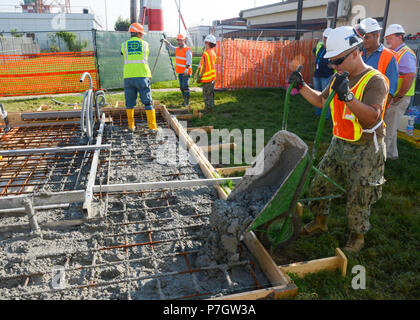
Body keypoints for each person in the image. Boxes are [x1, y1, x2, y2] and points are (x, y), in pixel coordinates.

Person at [289, 26, 389, 254]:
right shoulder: (338, 77)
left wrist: (349, 97)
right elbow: (322, 101)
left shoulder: (375, 81)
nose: (334, 66)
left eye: (338, 61)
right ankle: (319, 222)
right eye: (332, 62)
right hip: (340, 142)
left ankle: (357, 236)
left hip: (365, 148)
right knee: (319, 185)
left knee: (359, 195)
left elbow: (373, 116)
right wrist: (302, 86)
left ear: (355, 52)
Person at [384, 24, 417, 160]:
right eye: (386, 38)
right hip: (396, 96)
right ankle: (393, 155)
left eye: (389, 38)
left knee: (389, 129)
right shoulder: (397, 51)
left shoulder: (405, 53)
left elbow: (410, 75)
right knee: (391, 126)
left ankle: (381, 159)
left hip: (399, 97)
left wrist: (399, 96)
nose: (387, 41)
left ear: (399, 37)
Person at [121, 23, 157, 132]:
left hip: (128, 77)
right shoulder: (145, 44)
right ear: (138, 33)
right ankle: (152, 127)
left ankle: (131, 127)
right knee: (147, 102)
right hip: (142, 76)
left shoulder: (124, 45)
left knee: (130, 102)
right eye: (141, 33)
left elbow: (123, 54)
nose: (142, 35)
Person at [359, 18, 399, 108]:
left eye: (366, 37)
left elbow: (391, 90)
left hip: (374, 106)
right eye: (361, 38)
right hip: (358, 103)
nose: (363, 41)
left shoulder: (389, 57)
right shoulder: (359, 55)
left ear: (376, 35)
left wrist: (380, 111)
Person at [163, 34, 193, 109]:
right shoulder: (178, 49)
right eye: (178, 41)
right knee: (182, 87)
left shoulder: (187, 50)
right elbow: (171, 47)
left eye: (180, 40)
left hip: (186, 72)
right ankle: (185, 100)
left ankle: (186, 101)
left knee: (185, 86)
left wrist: (186, 70)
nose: (179, 42)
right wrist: (166, 41)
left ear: (184, 40)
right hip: (180, 72)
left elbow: (189, 61)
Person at [312, 27, 334, 117]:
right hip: (317, 74)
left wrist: (331, 65)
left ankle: (325, 115)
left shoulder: (333, 48)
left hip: (327, 75)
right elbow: (314, 52)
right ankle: (318, 114)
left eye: (327, 37)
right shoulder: (320, 45)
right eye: (324, 37)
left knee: (325, 96)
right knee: (317, 95)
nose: (325, 39)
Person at [197, 34, 217, 113]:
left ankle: (208, 110)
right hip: (212, 78)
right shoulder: (213, 53)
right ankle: (211, 108)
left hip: (206, 79)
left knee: (206, 95)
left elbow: (204, 66)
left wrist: (200, 77)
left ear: (207, 43)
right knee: (211, 94)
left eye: (205, 42)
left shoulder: (206, 54)